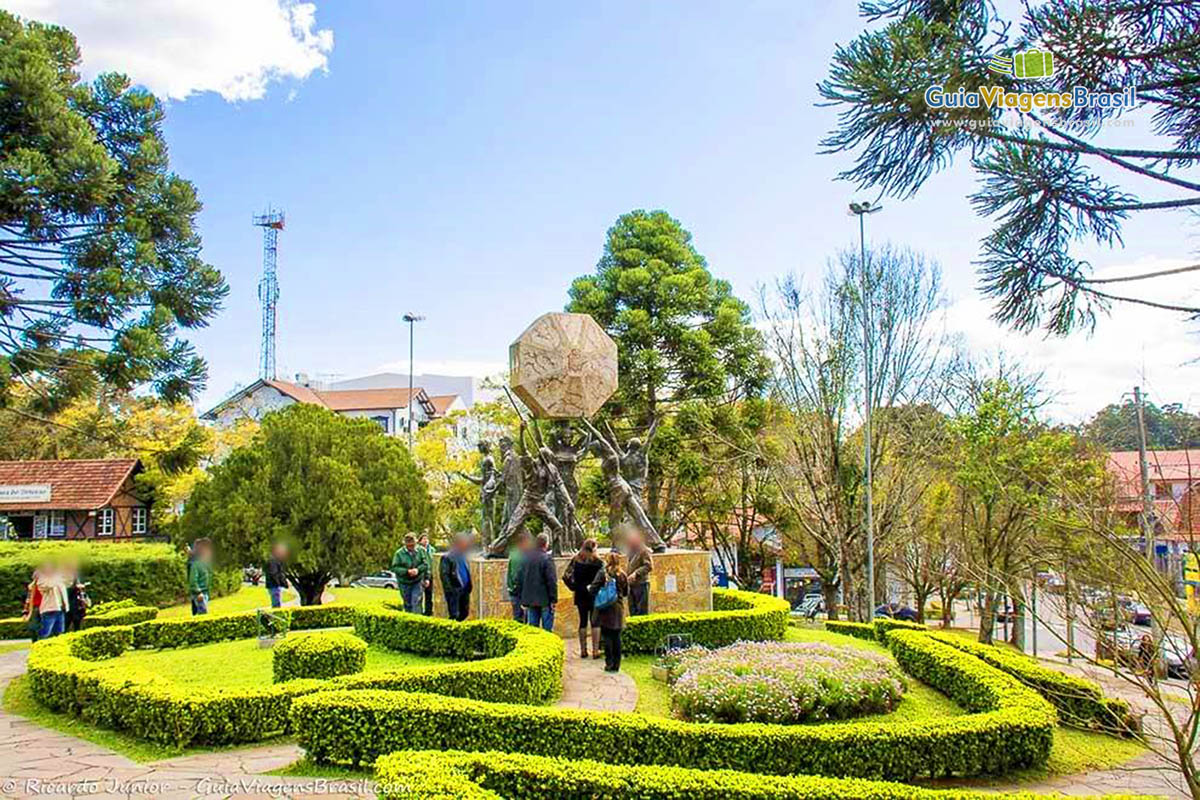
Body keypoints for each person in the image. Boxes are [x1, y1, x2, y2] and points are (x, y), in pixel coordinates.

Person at [588, 551, 629, 672]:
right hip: (618, 608)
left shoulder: (603, 574)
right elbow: (626, 592)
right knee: (617, 637)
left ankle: (609, 663)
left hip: (605, 609)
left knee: (607, 637)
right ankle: (617, 665)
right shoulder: (622, 574)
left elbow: (593, 589)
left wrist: (596, 591)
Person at [563, 538, 603, 658]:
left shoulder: (576, 560)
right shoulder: (598, 562)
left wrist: (573, 587)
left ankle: (583, 650)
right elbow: (604, 576)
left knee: (583, 621)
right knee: (595, 621)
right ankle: (595, 651)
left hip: (580, 593)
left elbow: (565, 576)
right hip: (594, 593)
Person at [516, 532, 557, 631]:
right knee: (547, 631)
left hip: (530, 600)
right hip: (545, 600)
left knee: (533, 631)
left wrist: (522, 597)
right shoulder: (547, 559)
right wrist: (553, 599)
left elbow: (519, 578)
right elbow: (551, 581)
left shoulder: (526, 558)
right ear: (546, 544)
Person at [392, 533, 429, 614]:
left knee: (416, 602)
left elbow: (426, 564)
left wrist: (421, 573)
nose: (411, 547)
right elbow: (395, 568)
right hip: (404, 583)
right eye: (409, 545)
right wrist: (407, 571)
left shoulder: (421, 551)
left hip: (418, 581)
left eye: (412, 545)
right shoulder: (399, 554)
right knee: (407, 603)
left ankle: (418, 621)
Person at [439, 533, 473, 621]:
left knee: (465, 613)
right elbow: (444, 575)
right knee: (454, 615)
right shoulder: (447, 557)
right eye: (465, 542)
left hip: (465, 590)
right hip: (454, 590)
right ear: (459, 543)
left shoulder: (463, 555)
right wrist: (450, 590)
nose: (467, 544)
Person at [34, 561, 68, 638]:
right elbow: (48, 585)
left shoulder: (58, 579)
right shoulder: (42, 579)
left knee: (60, 633)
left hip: (60, 609)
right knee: (45, 633)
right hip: (48, 609)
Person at [505, 531, 532, 621]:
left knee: (521, 617)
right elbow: (516, 576)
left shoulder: (517, 554)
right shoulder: (518, 556)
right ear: (523, 543)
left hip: (517, 592)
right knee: (519, 618)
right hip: (517, 594)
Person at [626, 531, 653, 616]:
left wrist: (636, 573)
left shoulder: (644, 550)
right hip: (632, 585)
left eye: (631, 541)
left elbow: (649, 566)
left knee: (641, 611)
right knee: (633, 611)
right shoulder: (631, 551)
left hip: (641, 584)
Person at [188, 538, 213, 616]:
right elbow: (193, 581)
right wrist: (198, 592)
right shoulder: (196, 565)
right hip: (199, 595)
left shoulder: (205, 565)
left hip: (205, 593)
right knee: (202, 615)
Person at [265, 541, 289, 609]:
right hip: (274, 585)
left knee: (277, 603)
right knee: (276, 604)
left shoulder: (276, 560)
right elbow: (274, 574)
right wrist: (280, 583)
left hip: (274, 585)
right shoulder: (273, 560)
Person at [419, 534, 434, 616]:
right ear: (420, 541)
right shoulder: (418, 550)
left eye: (427, 539)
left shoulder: (432, 550)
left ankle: (428, 611)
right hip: (421, 574)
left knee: (429, 594)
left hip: (431, 574)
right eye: (423, 539)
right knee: (419, 594)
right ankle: (419, 610)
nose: (425, 540)